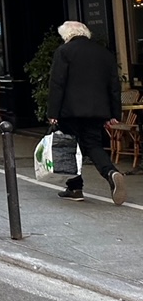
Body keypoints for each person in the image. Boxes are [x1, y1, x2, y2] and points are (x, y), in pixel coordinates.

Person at [47, 20, 126, 205]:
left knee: (70, 147)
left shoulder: (64, 51)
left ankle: (75, 188)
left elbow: (57, 83)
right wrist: (114, 114)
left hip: (70, 110)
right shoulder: (104, 53)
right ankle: (111, 173)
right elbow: (114, 86)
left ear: (67, 35)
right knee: (93, 145)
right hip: (98, 110)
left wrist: (53, 112)